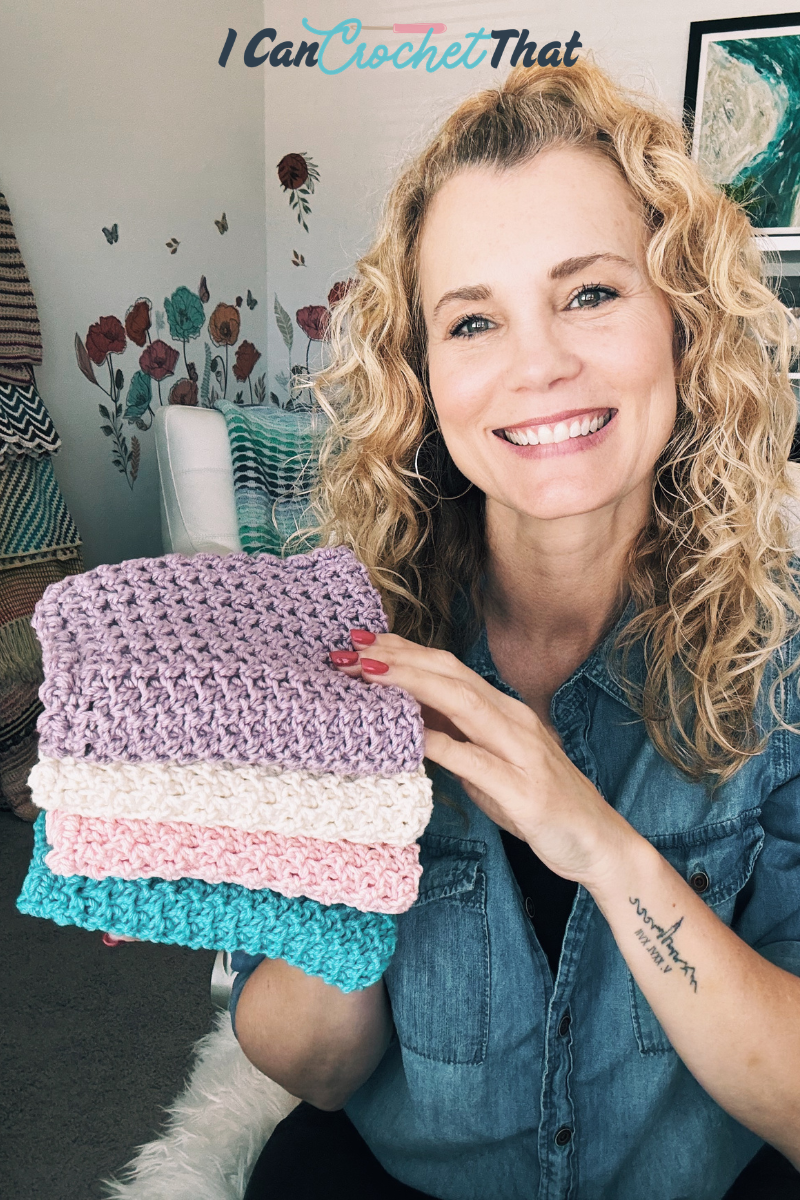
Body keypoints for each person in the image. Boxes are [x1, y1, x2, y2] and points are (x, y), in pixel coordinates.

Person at [232, 61, 800, 1199]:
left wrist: (593, 840)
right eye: (473, 320)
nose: (536, 365)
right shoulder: (335, 652)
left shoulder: (778, 667)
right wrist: (339, 835)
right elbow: (316, 1068)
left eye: (589, 293)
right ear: (424, 376)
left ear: (682, 321)